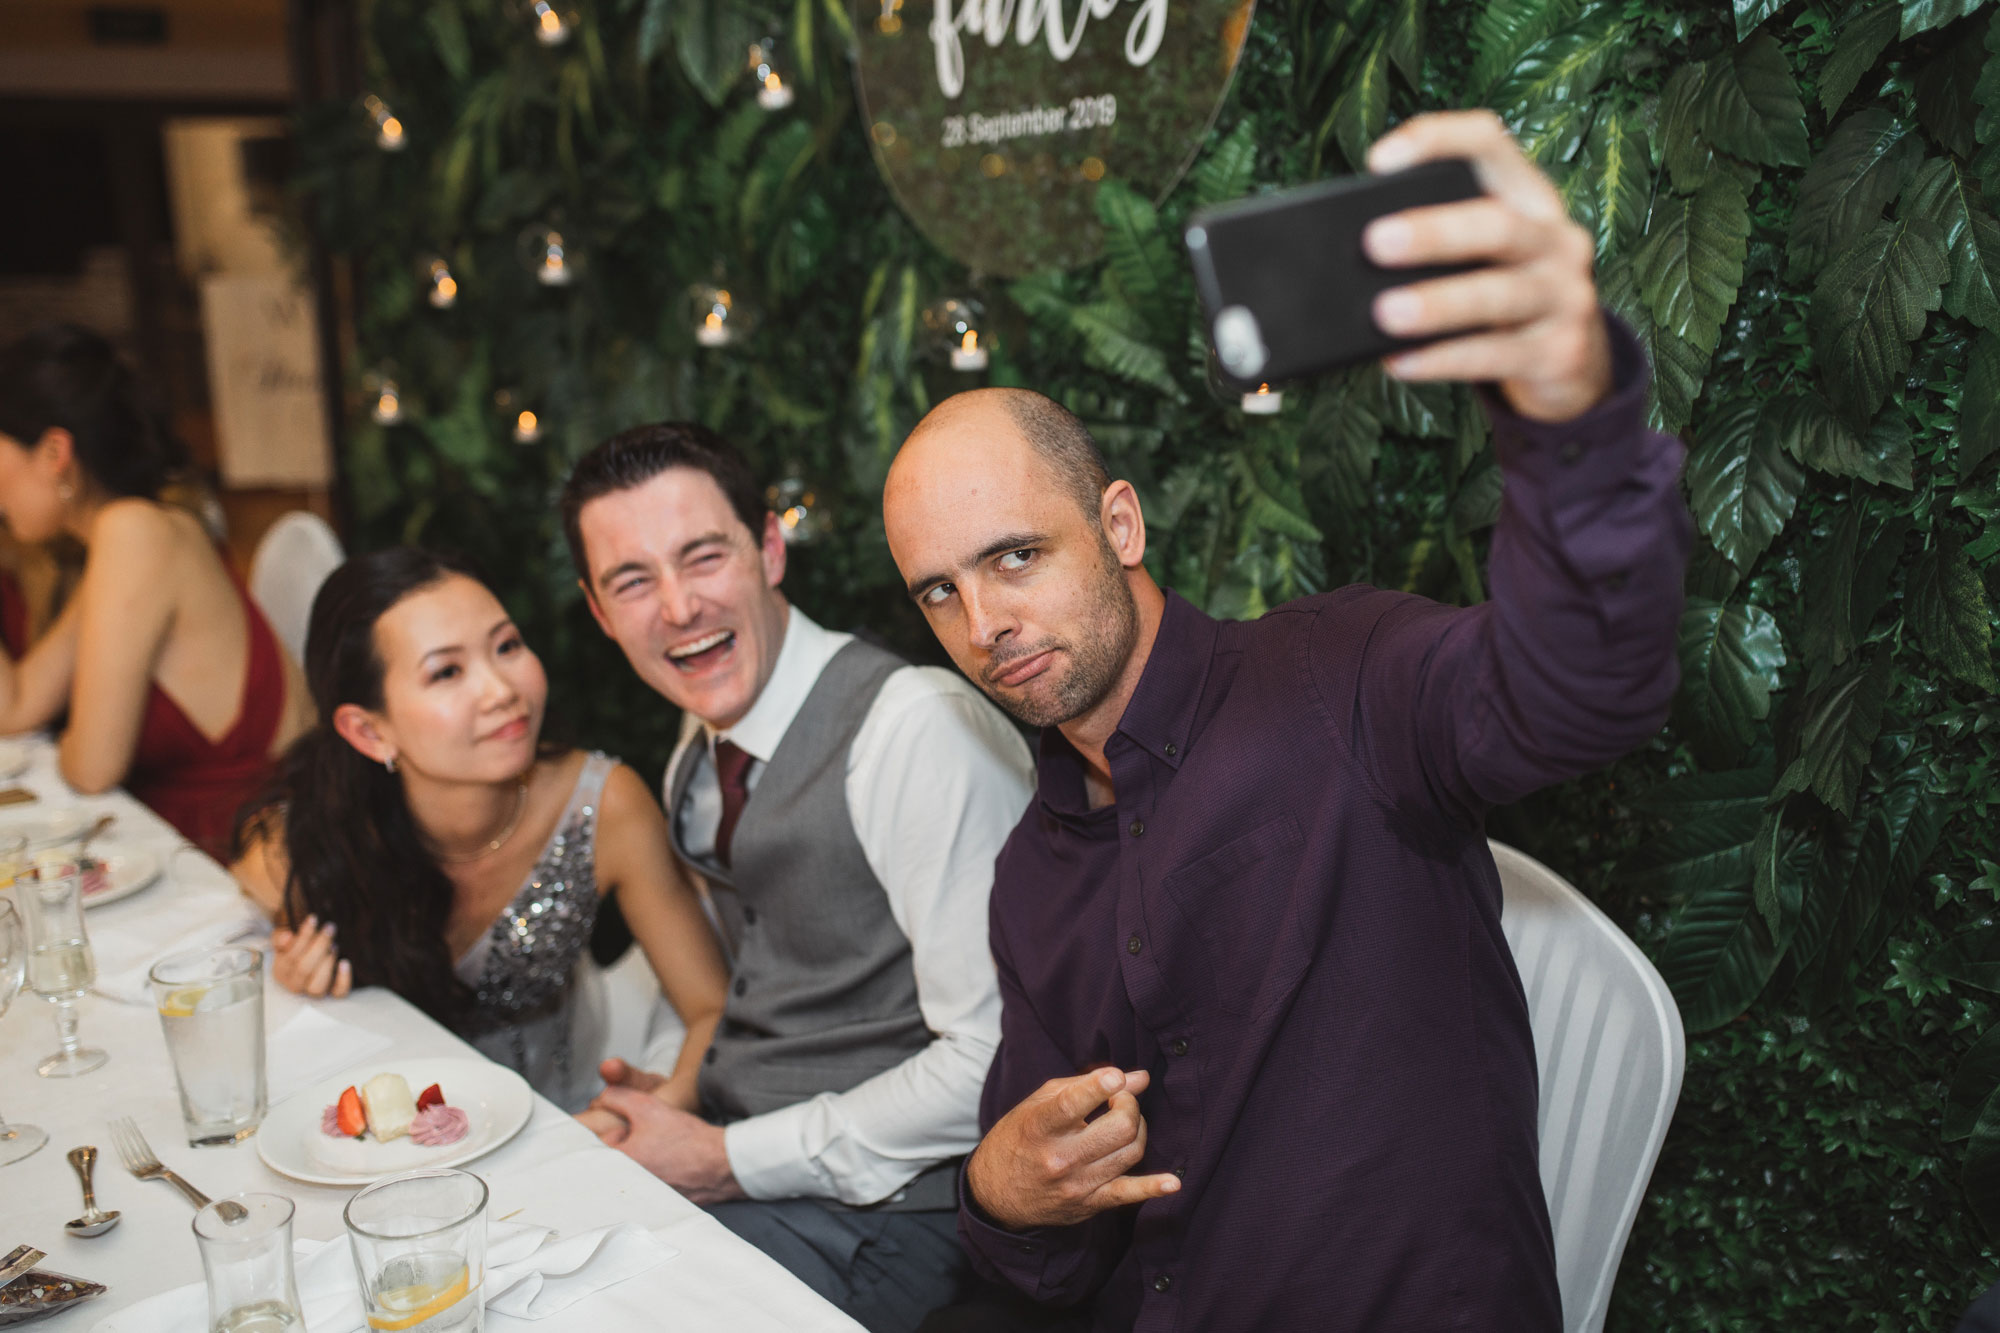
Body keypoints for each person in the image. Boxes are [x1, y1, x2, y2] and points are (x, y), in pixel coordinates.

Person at [880, 111, 1693, 1332]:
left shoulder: (1337, 681)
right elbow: (1039, 1254)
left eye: (1013, 555)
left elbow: (1581, 686)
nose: (983, 617)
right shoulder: (1034, 876)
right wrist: (999, 1190)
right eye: (939, 589)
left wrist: (1564, 394)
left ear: (1118, 526)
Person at [559, 423, 1035, 1333]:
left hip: (898, 1216)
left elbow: (995, 1062)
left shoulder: (912, 733)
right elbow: (751, 975)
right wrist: (666, 1095)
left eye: (703, 557)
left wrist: (725, 1155)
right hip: (753, 1164)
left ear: (770, 549)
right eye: (632, 580)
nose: (677, 607)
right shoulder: (697, 746)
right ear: (598, 610)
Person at [232, 546, 729, 1112]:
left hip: (562, 1126)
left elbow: (711, 1009)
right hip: (389, 1139)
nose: (501, 690)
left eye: (507, 646)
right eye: (447, 671)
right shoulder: (314, 837)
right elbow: (228, 950)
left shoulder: (604, 805)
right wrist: (292, 974)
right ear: (370, 732)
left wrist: (650, 1118)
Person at [0, 324, 314, 853]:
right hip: (197, 840)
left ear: (55, 453)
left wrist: (77, 739)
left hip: (253, 853)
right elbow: (17, 707)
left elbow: (92, 767)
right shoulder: (125, 534)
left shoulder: (135, 533)